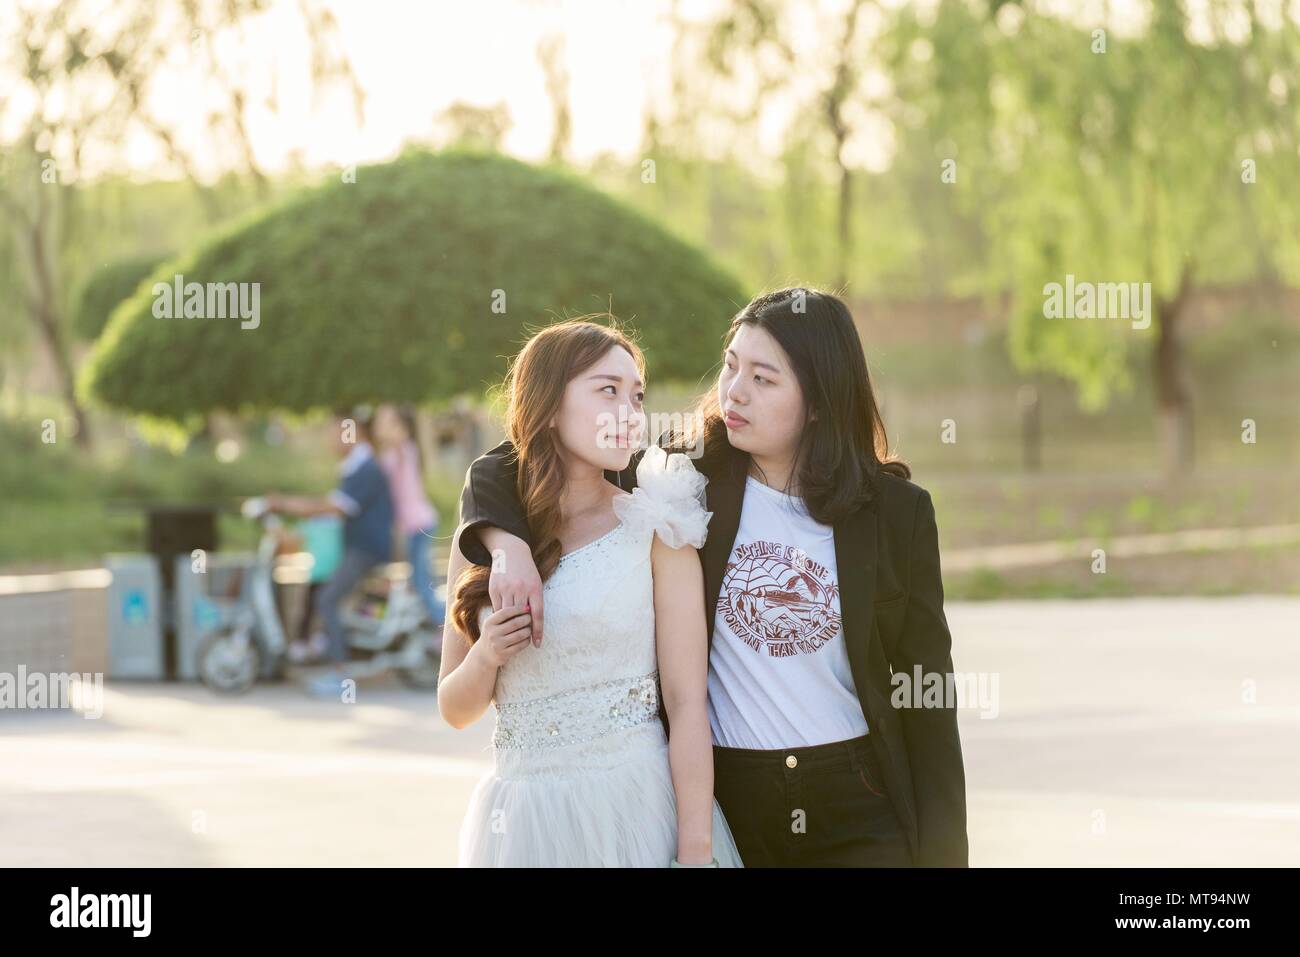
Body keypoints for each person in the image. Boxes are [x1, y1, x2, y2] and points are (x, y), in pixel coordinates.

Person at [456, 288, 969, 867]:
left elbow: (929, 698)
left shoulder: (894, 514)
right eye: (730, 366)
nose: (734, 391)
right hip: (734, 799)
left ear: (820, 400)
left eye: (764, 379)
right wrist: (506, 545)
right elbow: (515, 454)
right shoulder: (683, 478)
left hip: (857, 800)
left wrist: (948, 855)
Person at [438, 318, 744, 867]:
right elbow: (455, 709)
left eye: (637, 396)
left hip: (632, 807)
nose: (630, 413)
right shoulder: (485, 539)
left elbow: (686, 702)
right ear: (550, 407)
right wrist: (487, 654)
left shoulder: (658, 524)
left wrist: (695, 850)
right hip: (523, 820)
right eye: (608, 391)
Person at [268, 407, 394, 698]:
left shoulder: (366, 469)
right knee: (328, 595)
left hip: (366, 550)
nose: (331, 441)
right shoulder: (356, 468)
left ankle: (341, 673)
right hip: (357, 548)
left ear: (354, 432)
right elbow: (330, 508)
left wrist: (284, 504)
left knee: (328, 599)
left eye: (336, 432)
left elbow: (333, 506)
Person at [373, 404, 445, 646]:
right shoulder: (394, 454)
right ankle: (428, 627)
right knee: (417, 582)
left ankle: (447, 631)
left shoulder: (404, 452)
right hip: (415, 526)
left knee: (423, 582)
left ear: (403, 429)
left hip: (419, 525)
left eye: (389, 423)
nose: (382, 428)